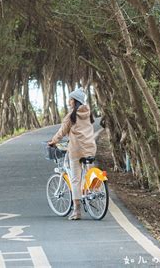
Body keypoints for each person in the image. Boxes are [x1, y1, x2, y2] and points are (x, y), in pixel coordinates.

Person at [48, 88, 96, 220]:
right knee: (88, 173)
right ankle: (91, 193)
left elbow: (62, 132)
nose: (69, 101)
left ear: (75, 101)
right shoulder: (89, 113)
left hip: (76, 150)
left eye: (70, 99)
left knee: (75, 179)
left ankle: (77, 211)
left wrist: (53, 142)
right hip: (91, 148)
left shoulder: (71, 116)